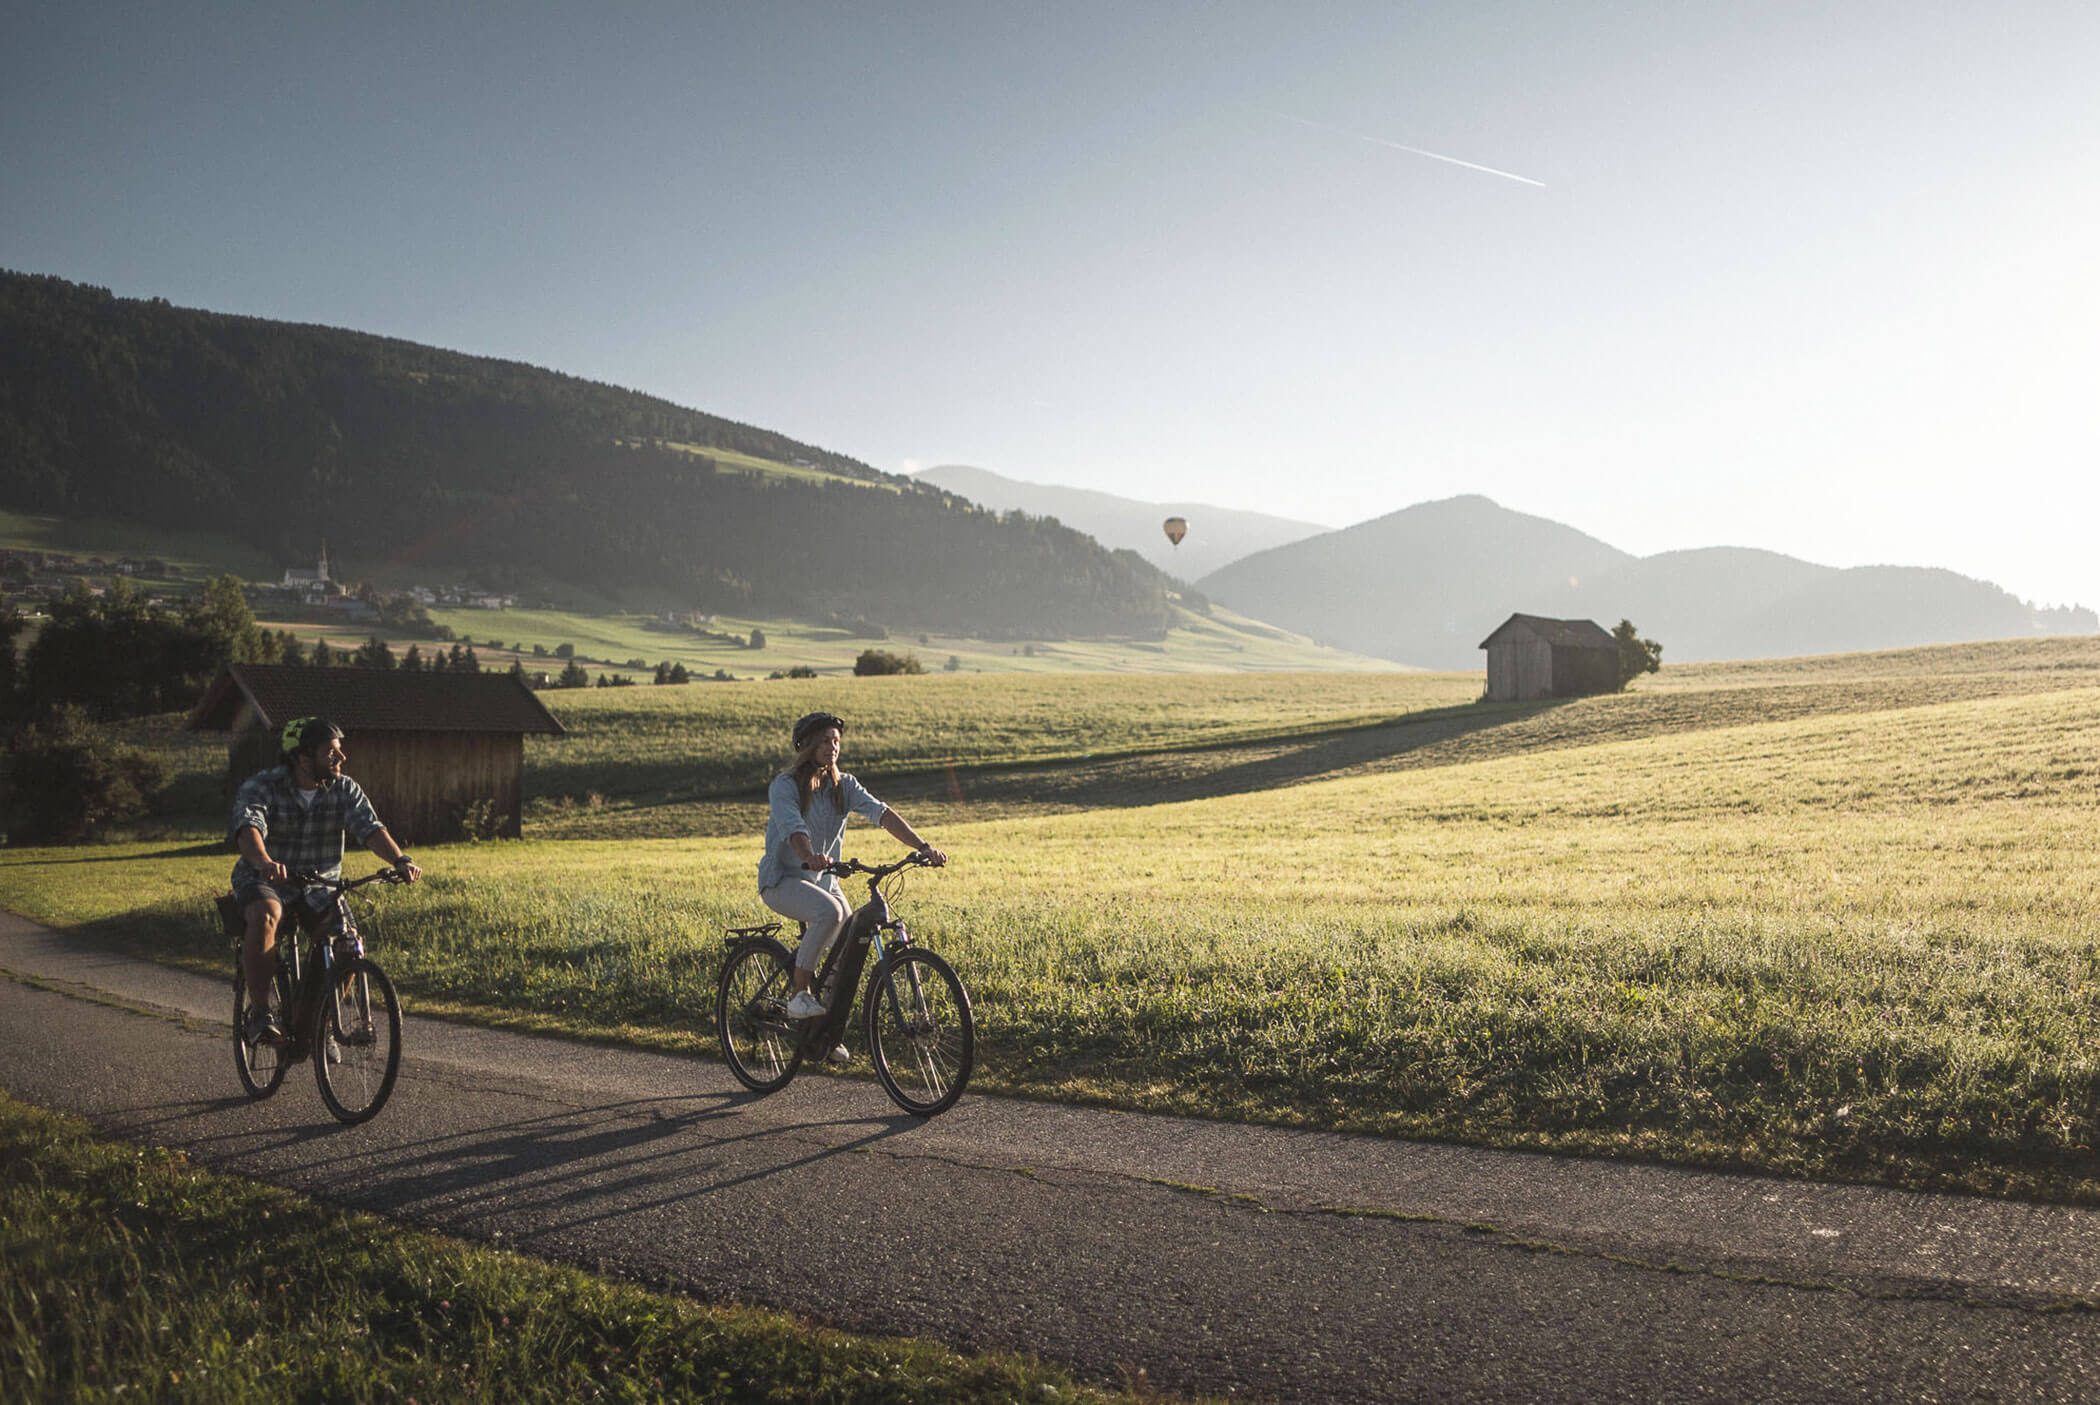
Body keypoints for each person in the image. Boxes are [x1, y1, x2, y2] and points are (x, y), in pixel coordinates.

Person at [231, 716, 420, 1044]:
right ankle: (260, 1014)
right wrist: (264, 861)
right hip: (267, 878)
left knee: (347, 944)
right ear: (303, 758)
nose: (341, 758)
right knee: (265, 914)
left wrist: (400, 860)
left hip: (320, 886)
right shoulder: (263, 786)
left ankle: (318, 1024)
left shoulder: (344, 788)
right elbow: (249, 828)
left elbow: (370, 828)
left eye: (340, 750)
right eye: (331, 752)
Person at [760, 711, 945, 1026]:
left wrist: (922, 847)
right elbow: (793, 829)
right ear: (807, 746)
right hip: (783, 880)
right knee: (830, 914)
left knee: (848, 953)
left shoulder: (843, 785)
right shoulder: (785, 785)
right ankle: (798, 995)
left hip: (825, 884)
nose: (832, 747)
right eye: (824, 741)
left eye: (836, 741)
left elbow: (881, 813)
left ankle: (823, 1032)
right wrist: (810, 856)